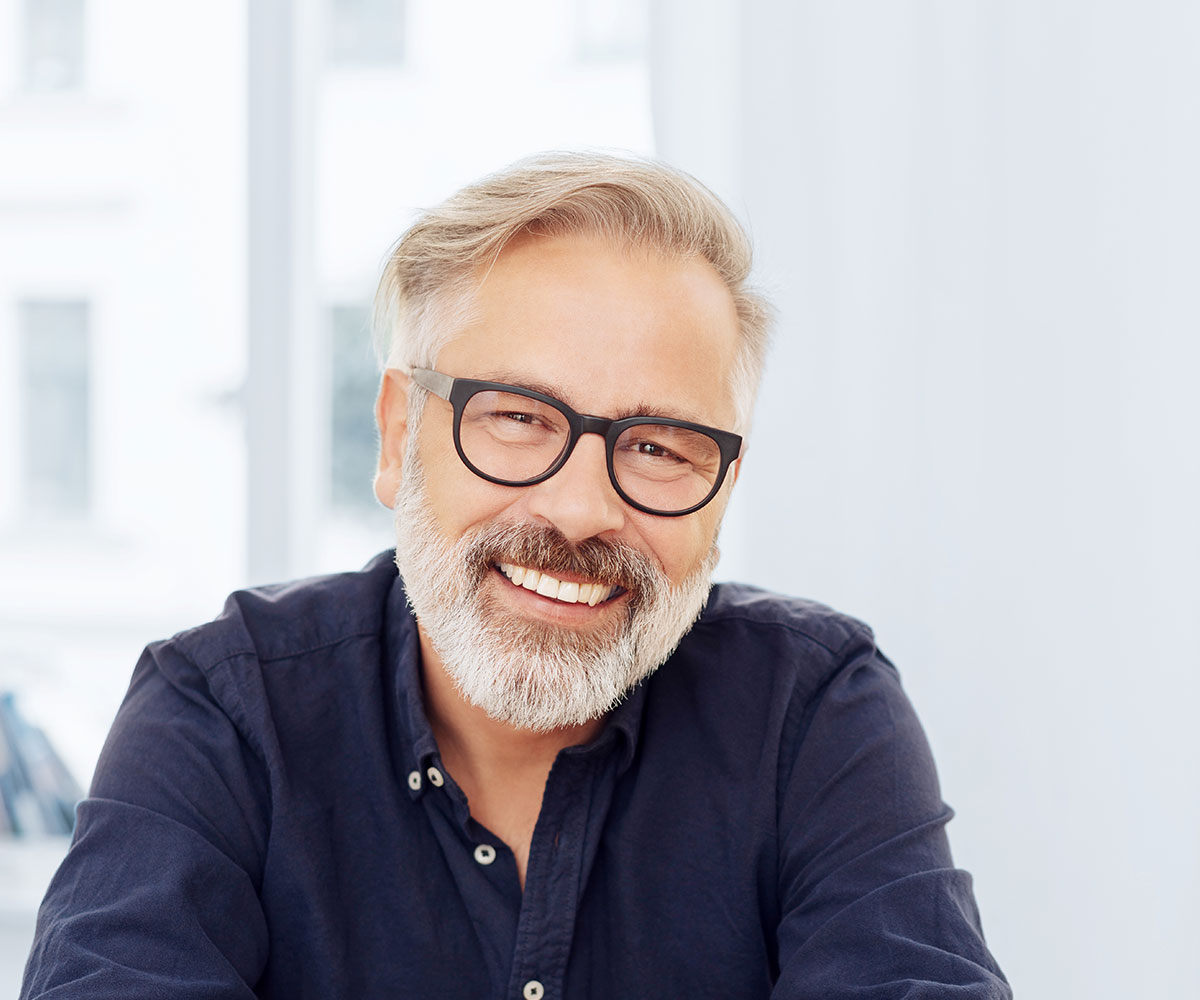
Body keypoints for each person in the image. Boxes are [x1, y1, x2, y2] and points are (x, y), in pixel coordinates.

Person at [22, 152, 1010, 999]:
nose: (581, 509)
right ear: (401, 433)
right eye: (520, 419)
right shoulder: (224, 712)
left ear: (723, 489)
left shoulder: (812, 709)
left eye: (661, 447)